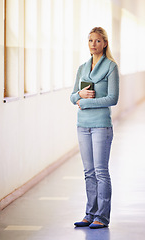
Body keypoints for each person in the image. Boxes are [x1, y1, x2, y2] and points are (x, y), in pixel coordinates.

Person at [70, 27, 119, 229]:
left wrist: (87, 102)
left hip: (101, 125)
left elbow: (113, 99)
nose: (93, 44)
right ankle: (89, 214)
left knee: (101, 172)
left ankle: (102, 217)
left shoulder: (111, 67)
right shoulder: (82, 67)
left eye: (98, 41)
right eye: (90, 40)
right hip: (83, 125)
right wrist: (80, 96)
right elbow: (73, 97)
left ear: (104, 43)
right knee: (88, 172)